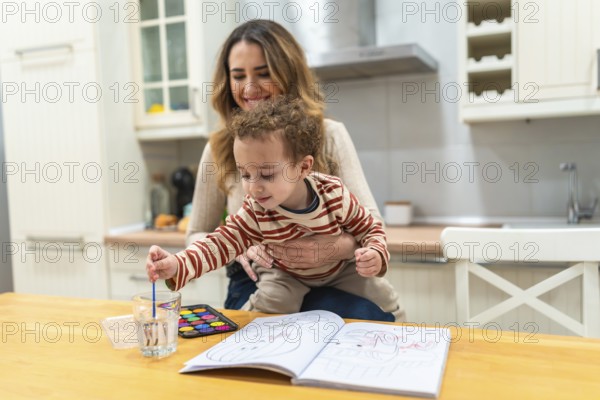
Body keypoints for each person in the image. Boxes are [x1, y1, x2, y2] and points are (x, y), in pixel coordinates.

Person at [185, 19, 394, 321]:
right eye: (238, 76)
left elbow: (371, 224)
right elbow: (196, 234)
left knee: (362, 319)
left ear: (288, 73)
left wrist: (331, 250)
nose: (250, 88)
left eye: (263, 73)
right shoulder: (219, 148)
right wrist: (236, 246)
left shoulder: (330, 135)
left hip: (334, 274)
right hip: (260, 280)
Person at [146, 97, 404, 321]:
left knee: (382, 298)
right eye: (245, 175)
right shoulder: (255, 211)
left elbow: (370, 228)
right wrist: (177, 264)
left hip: (340, 270)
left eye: (267, 175)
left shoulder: (333, 193)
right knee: (270, 305)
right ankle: (242, 342)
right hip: (286, 275)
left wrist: (375, 253)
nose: (254, 188)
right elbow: (219, 244)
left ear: (303, 168)